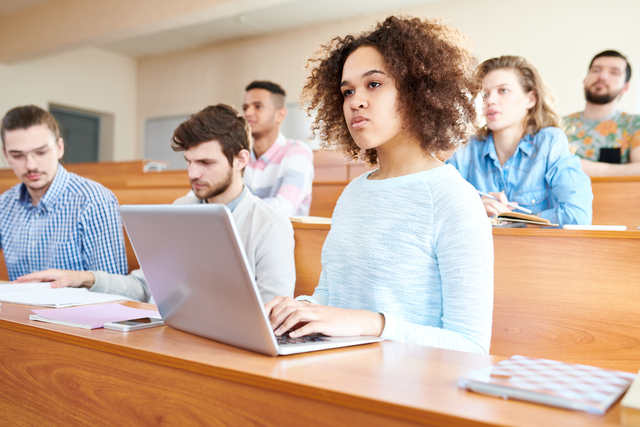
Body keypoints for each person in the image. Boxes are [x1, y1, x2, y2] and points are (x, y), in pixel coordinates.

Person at [265, 16, 493, 354]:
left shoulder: (453, 199)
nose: (355, 101)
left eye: (374, 84)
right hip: (336, 371)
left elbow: (471, 346)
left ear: (419, 92)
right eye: (347, 91)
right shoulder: (353, 194)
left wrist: (373, 324)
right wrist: (298, 311)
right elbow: (331, 299)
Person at [17, 104, 296, 304]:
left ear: (241, 160)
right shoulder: (180, 208)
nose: (193, 173)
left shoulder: (270, 226)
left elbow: (270, 315)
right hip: (165, 336)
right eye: (189, 161)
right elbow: (143, 285)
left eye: (206, 163)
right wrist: (85, 278)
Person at [447, 56, 593, 227]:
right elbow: (437, 213)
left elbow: (577, 215)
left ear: (531, 99)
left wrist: (512, 220)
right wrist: (471, 210)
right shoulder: (465, 148)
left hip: (536, 251)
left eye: (503, 90)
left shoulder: (550, 142)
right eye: (485, 94)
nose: (490, 100)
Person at [0, 105, 127, 281]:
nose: (31, 165)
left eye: (41, 152)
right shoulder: (4, 204)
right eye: (18, 155)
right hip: (17, 308)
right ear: (5, 155)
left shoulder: (94, 200)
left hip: (78, 308)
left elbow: (114, 287)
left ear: (59, 148)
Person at [242, 81, 314, 216]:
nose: (248, 113)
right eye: (245, 108)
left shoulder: (298, 152)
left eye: (258, 106)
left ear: (280, 115)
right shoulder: (238, 156)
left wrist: (232, 207)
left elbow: (283, 209)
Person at [564, 50, 640, 177]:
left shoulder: (634, 124)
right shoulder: (557, 125)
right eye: (596, 70)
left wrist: (586, 168)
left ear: (625, 87)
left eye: (614, 72)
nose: (603, 76)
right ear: (585, 79)